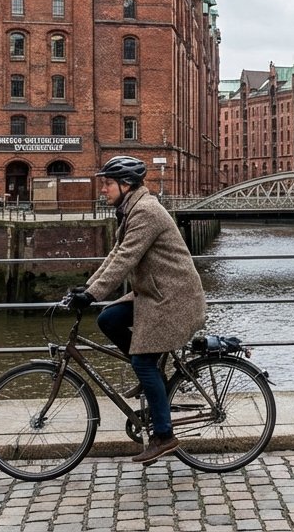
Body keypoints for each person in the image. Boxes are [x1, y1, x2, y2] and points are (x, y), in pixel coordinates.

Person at [68, 155, 206, 464]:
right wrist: (87, 287)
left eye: (107, 183)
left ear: (125, 184)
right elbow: (115, 254)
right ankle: (149, 373)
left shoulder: (146, 212)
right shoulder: (131, 209)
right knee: (109, 319)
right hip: (154, 295)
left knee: (143, 362)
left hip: (173, 299)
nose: (103, 189)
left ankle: (164, 435)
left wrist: (92, 294)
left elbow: (126, 258)